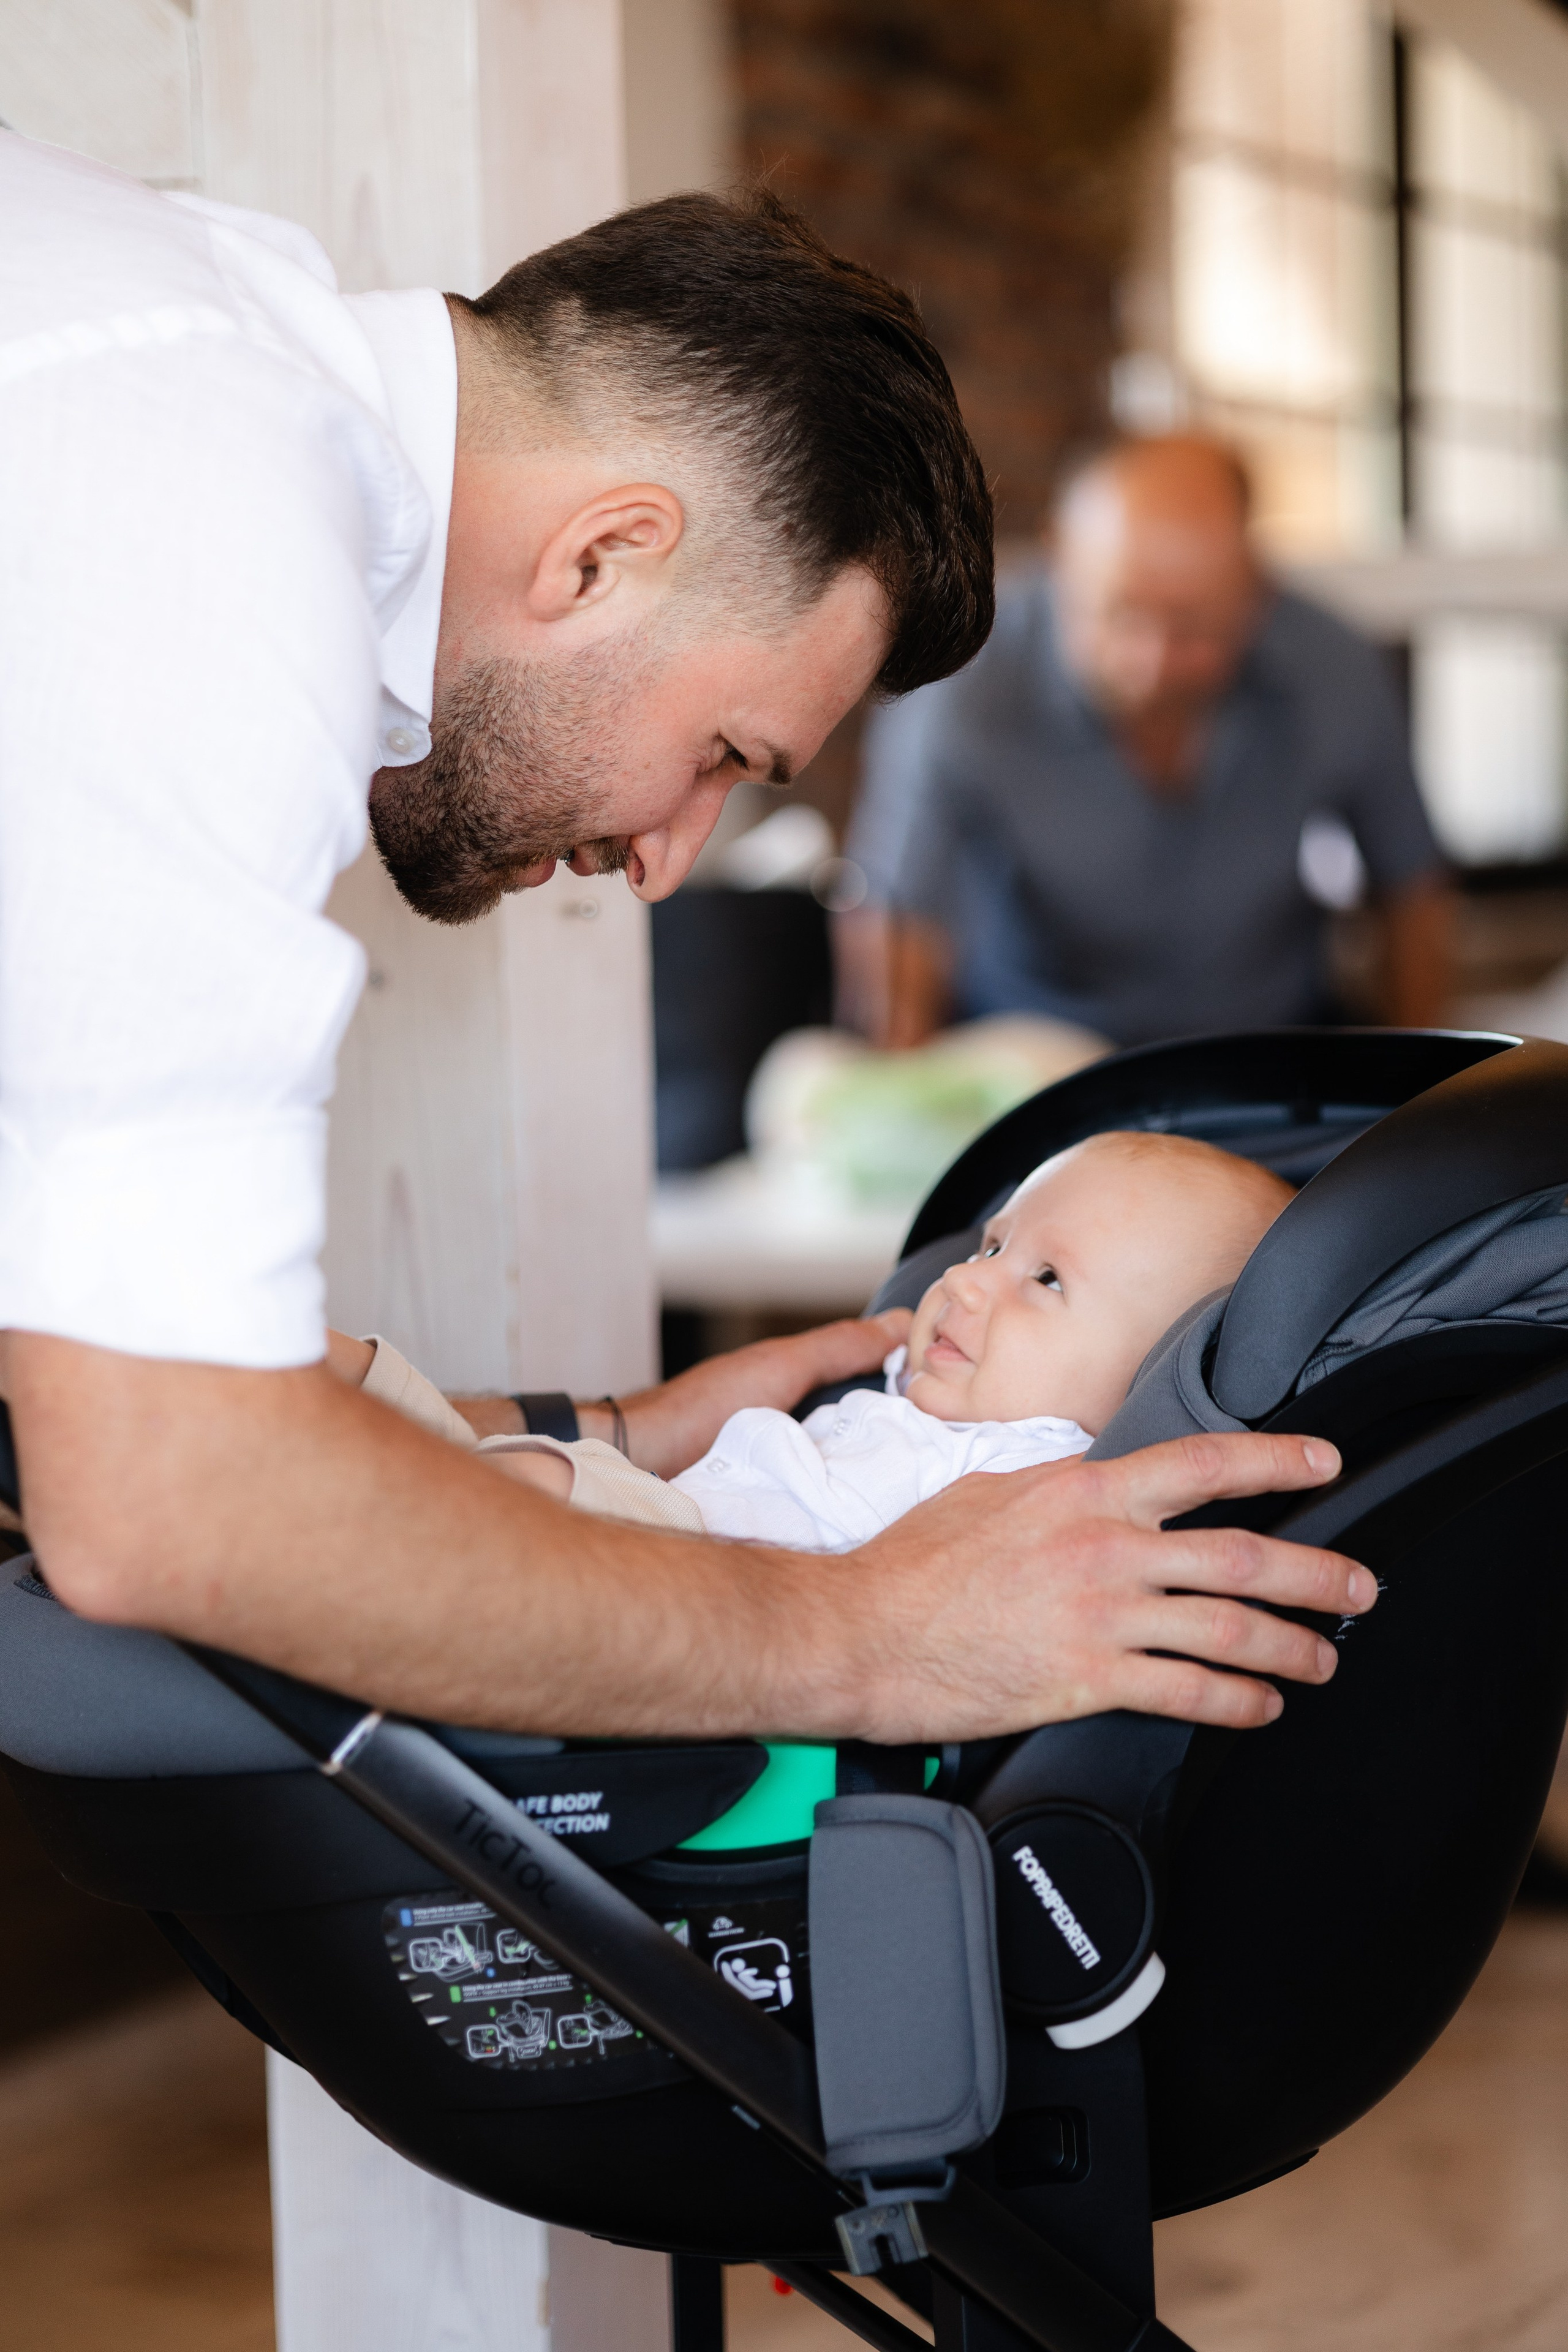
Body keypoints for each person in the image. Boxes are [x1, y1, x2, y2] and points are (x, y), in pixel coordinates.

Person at [0, 132, 1371, 1751]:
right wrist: (868, 1633)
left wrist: (612, 1433)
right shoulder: (211, 539)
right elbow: (171, 1493)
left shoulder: (176, 360)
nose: (664, 865)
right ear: (604, 556)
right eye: (727, 754)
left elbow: (74, 1369)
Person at [358, 1131, 1294, 1556]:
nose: (966, 1281)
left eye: (1046, 1281)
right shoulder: (939, 1392)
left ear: (1155, 1377)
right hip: (672, 1525)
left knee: (511, 1490)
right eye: (993, 1245)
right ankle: (336, 1424)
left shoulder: (1047, 1473)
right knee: (390, 1407)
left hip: (708, 1573)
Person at [843, 434, 1455, 1050]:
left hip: (1270, 1052)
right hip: (1034, 1063)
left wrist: (1420, 1098)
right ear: (1060, 559)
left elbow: (1411, 890)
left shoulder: (1334, 668)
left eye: (1192, 629)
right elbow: (899, 920)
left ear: (1253, 589)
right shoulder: (959, 684)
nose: (1151, 665)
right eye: (1119, 615)